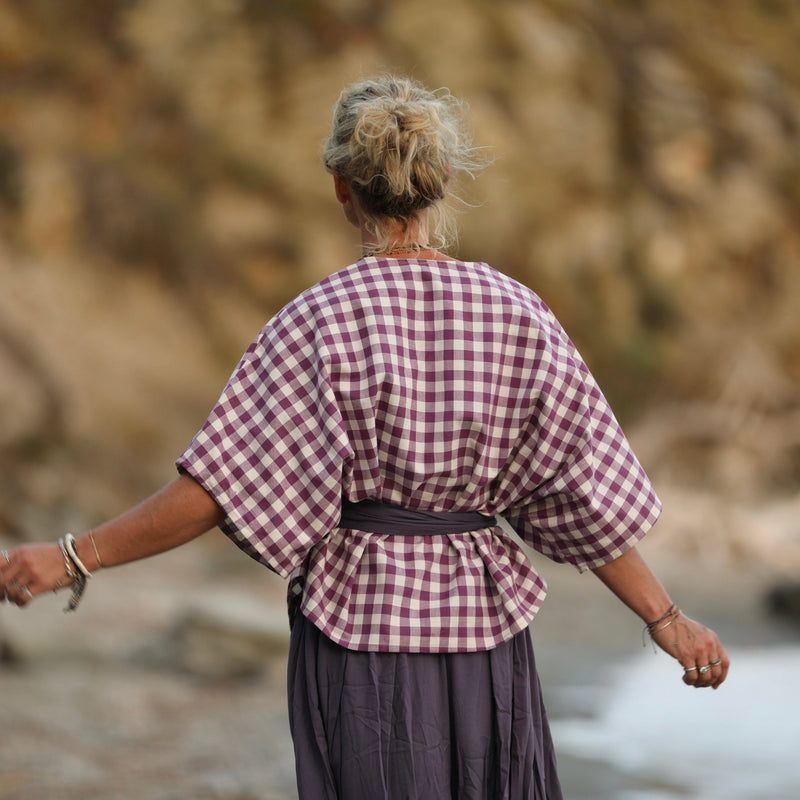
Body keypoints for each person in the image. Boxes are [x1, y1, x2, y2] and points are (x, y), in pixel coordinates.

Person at [0, 75, 728, 800]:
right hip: (486, 630)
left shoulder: (316, 320)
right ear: (441, 182)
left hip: (356, 635)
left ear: (342, 187)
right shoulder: (519, 314)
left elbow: (218, 489)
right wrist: (667, 619)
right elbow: (580, 492)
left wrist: (73, 556)